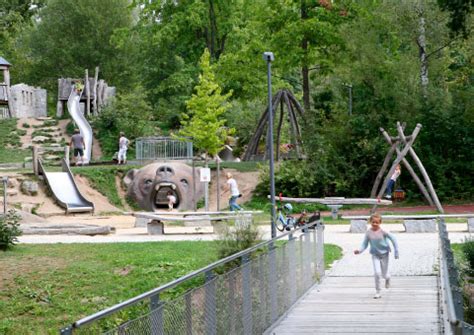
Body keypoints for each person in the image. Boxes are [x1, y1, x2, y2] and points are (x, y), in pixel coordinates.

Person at [354, 213, 399, 299]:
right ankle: (378, 292)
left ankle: (388, 278)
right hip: (375, 255)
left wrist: (396, 251)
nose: (375, 224)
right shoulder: (368, 232)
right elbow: (364, 244)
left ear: (380, 223)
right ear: (370, 222)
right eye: (373, 222)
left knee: (385, 275)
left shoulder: (383, 231)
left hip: (384, 254)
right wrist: (359, 251)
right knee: (377, 273)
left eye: (377, 222)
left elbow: (393, 239)